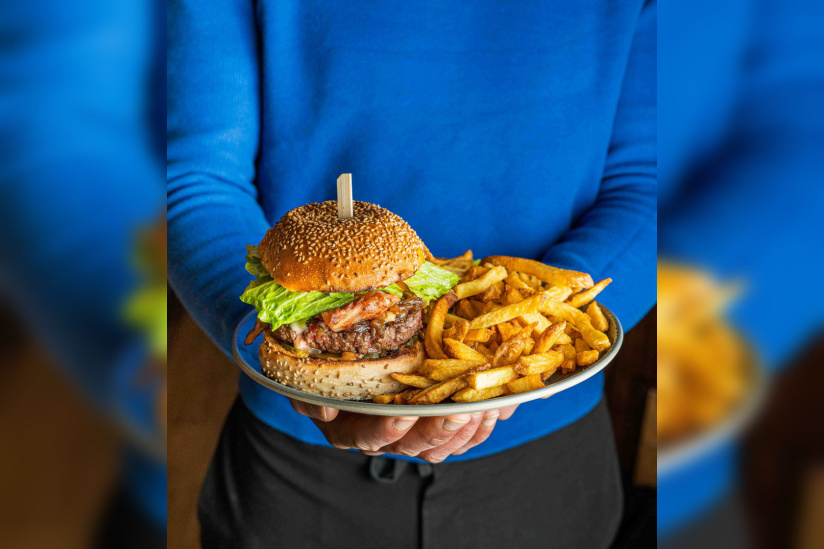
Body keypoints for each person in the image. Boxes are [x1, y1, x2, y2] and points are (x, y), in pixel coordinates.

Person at [168, 1, 656, 547]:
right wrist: (277, 350)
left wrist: (538, 333)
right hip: (292, 469)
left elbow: (648, 183)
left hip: (547, 460)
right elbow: (198, 179)